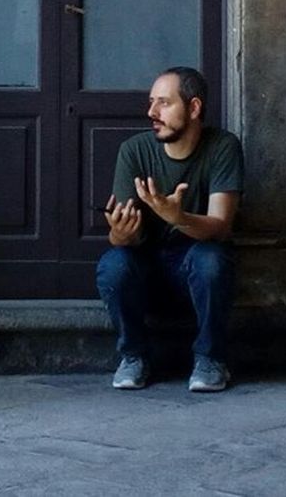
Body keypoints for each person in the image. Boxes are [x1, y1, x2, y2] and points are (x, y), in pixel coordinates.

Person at [97, 67, 244, 393]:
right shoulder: (134, 151)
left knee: (213, 259)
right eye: (152, 103)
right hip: (146, 263)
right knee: (113, 263)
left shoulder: (223, 146)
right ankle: (133, 356)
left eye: (163, 103)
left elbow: (220, 227)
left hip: (195, 260)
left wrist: (177, 216)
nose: (152, 112)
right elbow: (124, 238)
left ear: (193, 108)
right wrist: (119, 233)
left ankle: (210, 359)